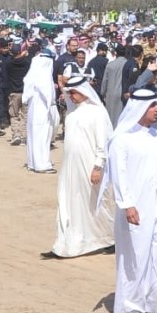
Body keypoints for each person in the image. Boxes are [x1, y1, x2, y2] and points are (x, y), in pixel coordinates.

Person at [106, 88, 157, 313]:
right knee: (135, 257)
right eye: (152, 106)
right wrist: (127, 204)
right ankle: (132, 308)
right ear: (138, 109)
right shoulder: (121, 139)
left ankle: (154, 303)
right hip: (135, 207)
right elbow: (119, 175)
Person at [47, 75, 115, 258]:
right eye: (69, 93)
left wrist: (98, 167)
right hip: (71, 168)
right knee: (70, 202)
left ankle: (108, 239)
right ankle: (68, 241)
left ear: (85, 92)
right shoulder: (72, 114)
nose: (71, 96)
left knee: (95, 204)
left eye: (74, 92)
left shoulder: (98, 113)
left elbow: (103, 143)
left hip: (90, 167)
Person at [23, 45, 58, 174]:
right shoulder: (44, 73)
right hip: (42, 109)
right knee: (42, 136)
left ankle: (33, 162)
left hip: (34, 108)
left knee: (34, 136)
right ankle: (42, 164)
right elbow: (47, 91)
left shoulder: (34, 73)